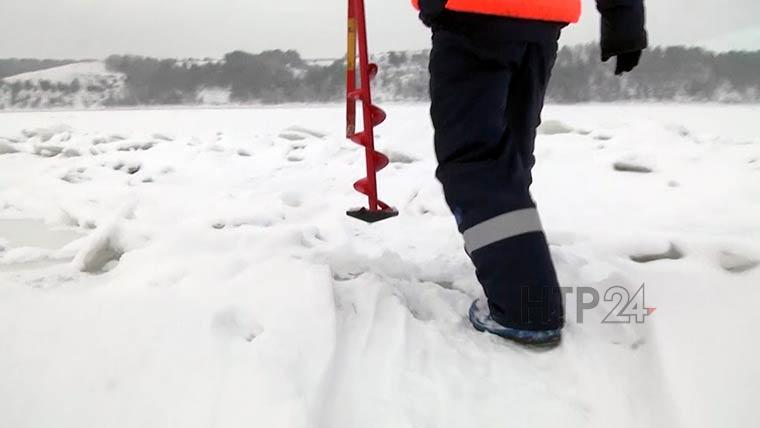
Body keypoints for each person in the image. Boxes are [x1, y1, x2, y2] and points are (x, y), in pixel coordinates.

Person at [413, 0, 647, 346]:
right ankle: (511, 260)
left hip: (473, 15)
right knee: (509, 153)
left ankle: (526, 307)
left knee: (475, 162)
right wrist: (623, 16)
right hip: (542, 18)